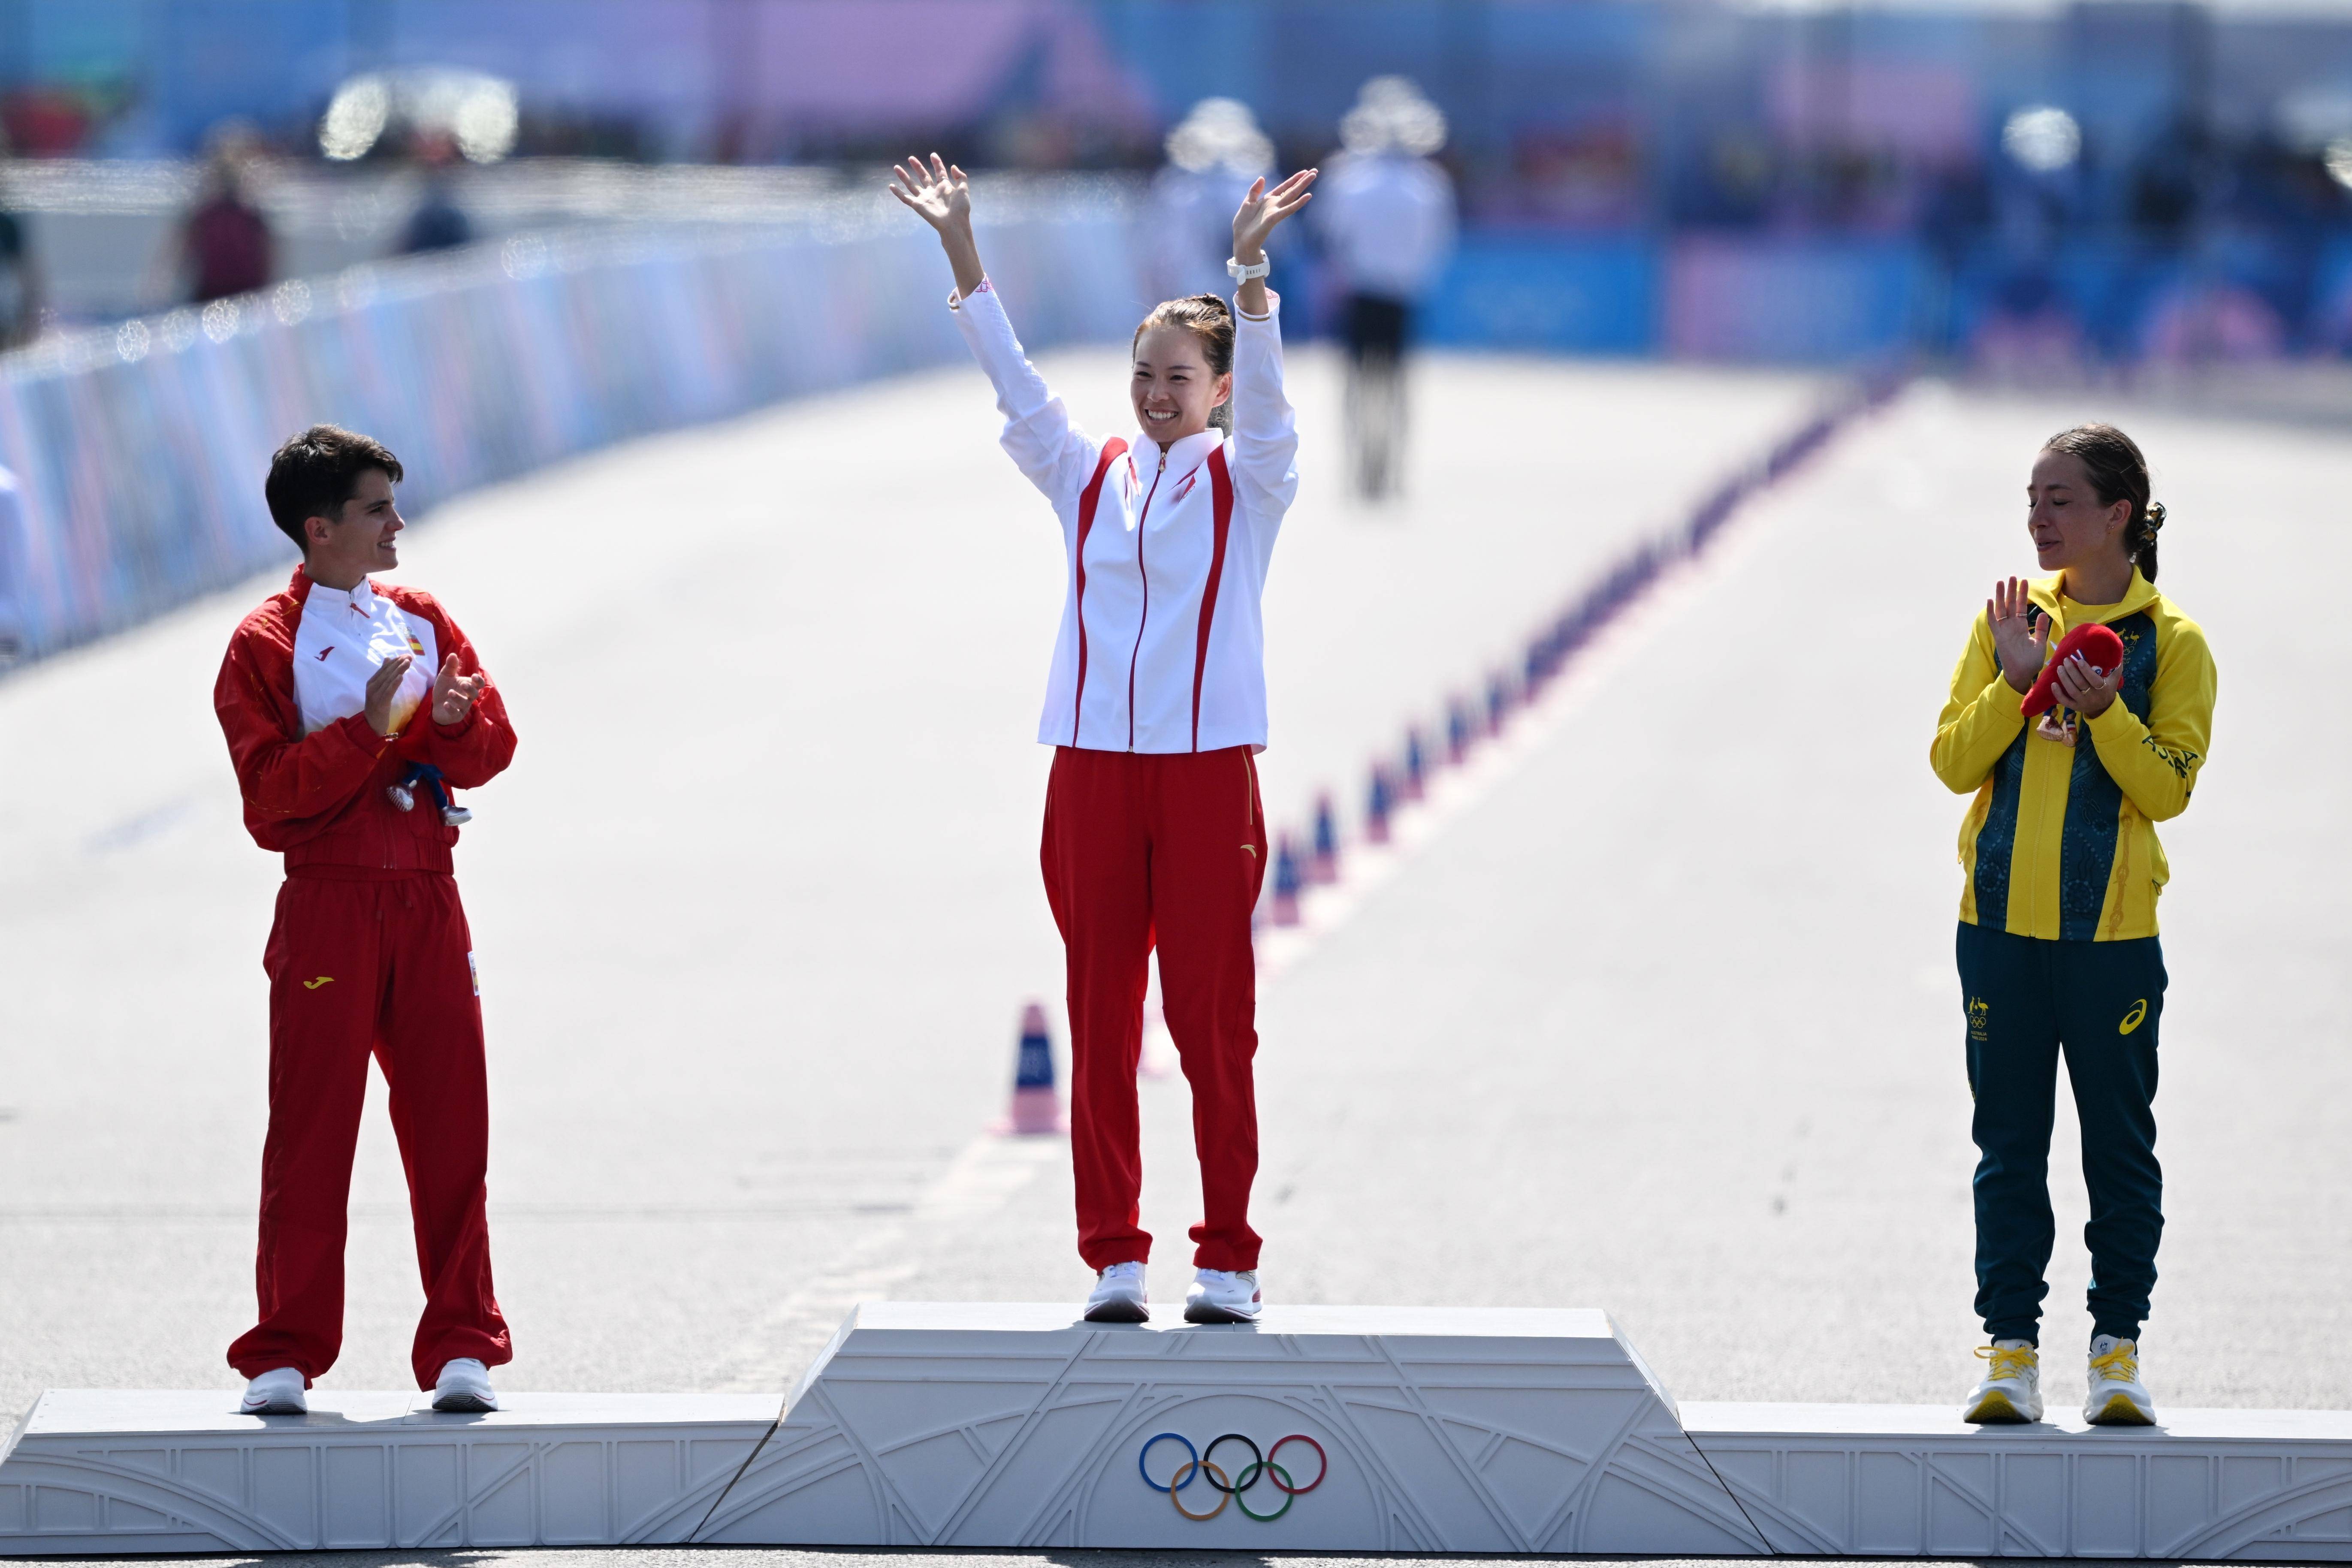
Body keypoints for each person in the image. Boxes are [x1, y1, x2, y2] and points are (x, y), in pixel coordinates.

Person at [890, 151, 1313, 1325]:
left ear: (1221, 388)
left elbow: (1275, 406)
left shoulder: (1251, 480)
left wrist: (1249, 278)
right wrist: (960, 249)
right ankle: (1112, 1258)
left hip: (1205, 779)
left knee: (1213, 1027)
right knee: (1100, 1015)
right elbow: (1019, 392)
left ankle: (1227, 1258)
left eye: (1179, 377)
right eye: (1142, 376)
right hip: (1088, 779)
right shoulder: (1090, 480)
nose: (1155, 394)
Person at [213, 425, 517, 1414]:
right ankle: (285, 1351)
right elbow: (271, 805)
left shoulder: (421, 617)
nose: (398, 525)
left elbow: (493, 747)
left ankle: (464, 1341)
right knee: (312, 1128)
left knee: (452, 1124)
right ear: (320, 527)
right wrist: (372, 731)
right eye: (377, 509)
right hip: (329, 903)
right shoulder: (264, 642)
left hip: (429, 894)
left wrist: (452, 724)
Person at [1930, 424, 2216, 1426]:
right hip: (1998, 933)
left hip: (2112, 947)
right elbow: (1951, 763)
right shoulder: (2010, 620)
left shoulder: (2172, 645)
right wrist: (2014, 684)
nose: (2036, 518)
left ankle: (2116, 1353)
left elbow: (2167, 789)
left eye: (2058, 499)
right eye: (2030, 497)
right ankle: (2009, 1352)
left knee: (2118, 1150)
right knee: (2007, 1144)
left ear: (2116, 517)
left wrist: (2104, 714)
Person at [1313, 77, 1455, 501]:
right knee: (1395, 383)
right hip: (1401, 294)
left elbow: (1328, 234)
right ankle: (1390, 468)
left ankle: (1359, 465)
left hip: (1360, 291)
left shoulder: (1347, 177)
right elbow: (1439, 244)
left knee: (1357, 382)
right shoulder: (1429, 183)